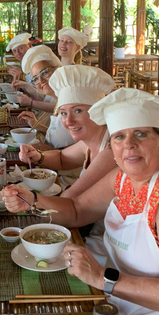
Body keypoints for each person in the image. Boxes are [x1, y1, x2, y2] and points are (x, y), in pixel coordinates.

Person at [3, 88, 159, 314]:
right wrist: (33, 200)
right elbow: (77, 210)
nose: (129, 145)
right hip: (122, 299)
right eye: (119, 136)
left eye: (141, 134)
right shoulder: (124, 177)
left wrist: (101, 277)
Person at [19, 65, 115, 264]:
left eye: (78, 111)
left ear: (98, 112)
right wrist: (38, 156)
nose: (69, 121)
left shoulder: (111, 151)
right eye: (63, 113)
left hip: (104, 242)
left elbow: (70, 200)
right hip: (83, 224)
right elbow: (63, 158)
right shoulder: (91, 140)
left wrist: (30, 200)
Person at [13, 45, 75, 150]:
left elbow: (79, 149)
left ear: (58, 68)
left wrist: (43, 152)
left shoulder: (71, 102)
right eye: (35, 79)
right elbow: (59, 137)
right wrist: (37, 125)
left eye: (45, 72)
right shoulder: (59, 101)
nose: (40, 81)